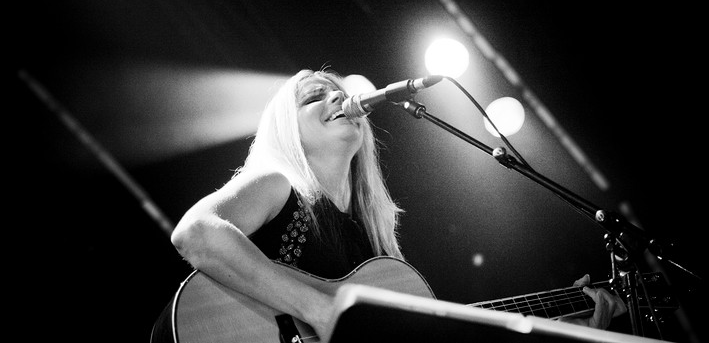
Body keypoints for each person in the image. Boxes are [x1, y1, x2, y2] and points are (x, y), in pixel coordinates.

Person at [170, 68, 626, 340]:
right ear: (286, 128)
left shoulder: (376, 242)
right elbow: (196, 233)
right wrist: (317, 310)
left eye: (335, 89)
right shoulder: (277, 184)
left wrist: (569, 328)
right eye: (313, 96)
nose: (336, 96)